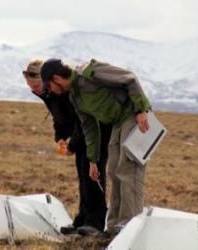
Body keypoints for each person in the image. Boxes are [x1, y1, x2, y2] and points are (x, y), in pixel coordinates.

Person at [40, 58, 151, 236]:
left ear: (56, 78)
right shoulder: (75, 96)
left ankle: (130, 229)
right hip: (118, 123)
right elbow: (90, 129)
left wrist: (140, 110)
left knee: (128, 170)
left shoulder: (91, 72)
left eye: (49, 86)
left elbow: (129, 78)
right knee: (114, 171)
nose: (50, 90)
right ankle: (114, 228)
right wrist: (93, 160)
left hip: (134, 115)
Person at [22, 59, 112, 236]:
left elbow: (82, 121)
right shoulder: (49, 93)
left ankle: (95, 223)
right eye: (30, 86)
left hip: (95, 132)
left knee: (92, 175)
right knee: (83, 175)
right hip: (81, 135)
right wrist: (61, 137)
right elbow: (59, 118)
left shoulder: (62, 91)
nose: (34, 89)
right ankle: (82, 221)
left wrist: (72, 145)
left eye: (36, 84)